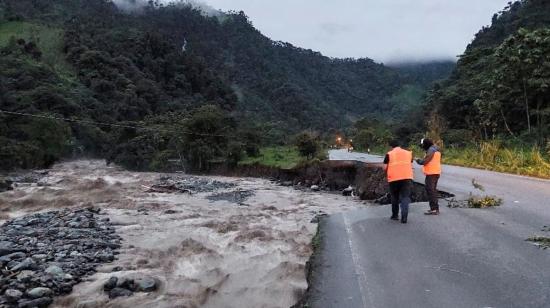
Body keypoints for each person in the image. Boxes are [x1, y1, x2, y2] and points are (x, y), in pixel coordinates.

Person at [384, 140, 413, 224]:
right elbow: (410, 162)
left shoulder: (389, 154)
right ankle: (404, 217)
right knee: (405, 197)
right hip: (407, 177)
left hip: (394, 178)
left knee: (395, 197)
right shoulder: (408, 153)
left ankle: (395, 215)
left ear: (391, 146)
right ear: (399, 145)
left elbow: (384, 168)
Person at [416, 138, 442, 215]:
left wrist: (418, 160)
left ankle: (434, 209)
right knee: (433, 190)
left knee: (431, 191)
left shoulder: (431, 150)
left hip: (431, 174)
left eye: (423, 145)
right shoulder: (436, 149)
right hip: (435, 172)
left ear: (426, 144)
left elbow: (425, 161)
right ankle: (435, 208)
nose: (422, 146)